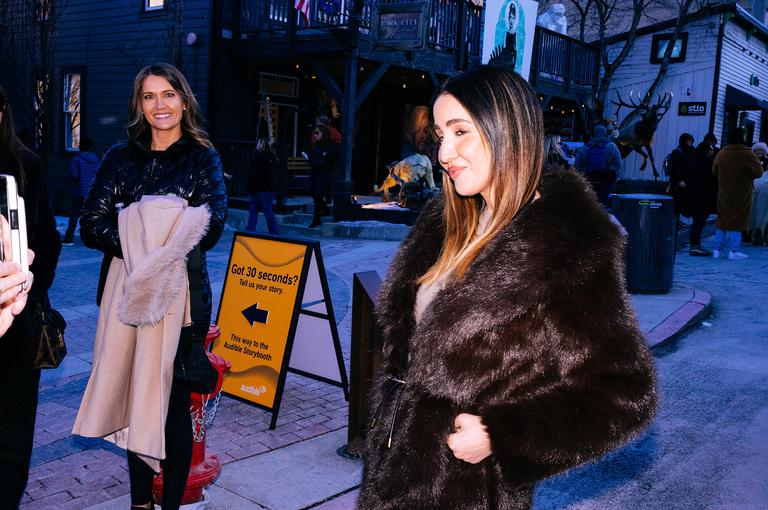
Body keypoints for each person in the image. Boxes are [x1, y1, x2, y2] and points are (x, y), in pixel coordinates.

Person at [358, 66, 657, 509]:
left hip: (468, 493)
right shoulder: (445, 223)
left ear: (508, 129)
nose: (445, 152)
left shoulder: (569, 247)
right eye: (441, 134)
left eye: (461, 131)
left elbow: (626, 394)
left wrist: (501, 434)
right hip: (392, 475)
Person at [76, 63, 227, 510]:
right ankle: (139, 502)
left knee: (176, 412)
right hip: (128, 299)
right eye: (149, 97)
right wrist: (149, 236)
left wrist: (146, 232)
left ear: (184, 100)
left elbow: (213, 224)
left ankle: (172, 506)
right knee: (138, 401)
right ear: (139, 105)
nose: (159, 105)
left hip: (182, 302)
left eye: (168, 95)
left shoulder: (202, 157)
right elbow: (89, 223)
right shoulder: (119, 158)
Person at [0, 85, 61, 508]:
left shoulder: (27, 167)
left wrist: (26, 285)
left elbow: (49, 241)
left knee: (13, 436)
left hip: (16, 324)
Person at [711, 126, 762, 260]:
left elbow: (714, 171)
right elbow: (759, 172)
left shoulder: (722, 153)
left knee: (722, 220)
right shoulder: (748, 154)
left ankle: (716, 249)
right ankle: (733, 250)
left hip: (724, 192)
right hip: (742, 192)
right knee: (738, 221)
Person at [62, 137, 100, 246]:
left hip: (79, 192)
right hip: (91, 192)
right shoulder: (96, 160)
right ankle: (92, 238)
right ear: (91, 148)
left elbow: (74, 175)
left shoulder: (76, 160)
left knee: (74, 216)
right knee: (90, 215)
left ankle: (69, 238)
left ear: (80, 147)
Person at [574, 124, 622, 207]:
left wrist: (582, 175)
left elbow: (577, 164)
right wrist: (615, 174)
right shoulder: (611, 146)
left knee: (590, 200)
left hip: (590, 177)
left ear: (594, 133)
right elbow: (618, 162)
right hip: (606, 178)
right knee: (604, 200)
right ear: (605, 133)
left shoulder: (586, 147)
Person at [307, 124, 339, 228]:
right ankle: (325, 209)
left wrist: (326, 155)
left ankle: (316, 220)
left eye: (317, 133)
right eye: (315, 133)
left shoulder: (331, 144)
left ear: (323, 133)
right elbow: (315, 157)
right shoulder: (317, 144)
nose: (315, 135)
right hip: (315, 171)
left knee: (318, 193)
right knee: (313, 192)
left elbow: (333, 157)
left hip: (324, 172)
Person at [246, 137, 279, 235]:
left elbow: (265, 175)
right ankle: (249, 233)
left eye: (259, 144)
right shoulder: (258, 156)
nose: (257, 145)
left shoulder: (267, 157)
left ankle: (274, 233)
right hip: (256, 189)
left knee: (267, 212)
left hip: (264, 190)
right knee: (253, 213)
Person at [748, 141, 768, 246]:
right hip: (753, 188)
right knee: (752, 211)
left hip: (763, 188)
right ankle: (749, 232)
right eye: (757, 150)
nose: (759, 152)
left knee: (762, 212)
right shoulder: (750, 160)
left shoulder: (767, 162)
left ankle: (760, 233)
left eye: (761, 150)